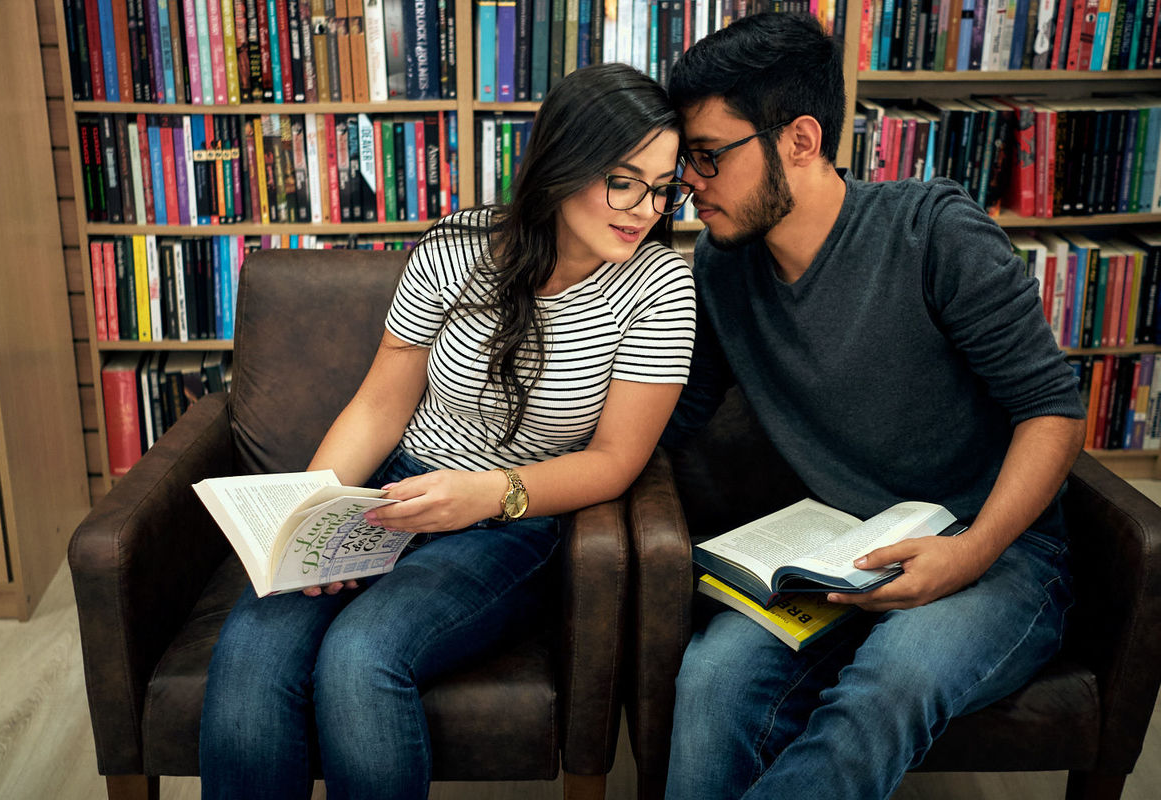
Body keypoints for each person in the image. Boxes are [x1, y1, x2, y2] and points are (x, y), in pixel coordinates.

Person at [198, 62, 697, 800]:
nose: (645, 208)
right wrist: (309, 517)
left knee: (361, 656)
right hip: (395, 486)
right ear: (565, 161)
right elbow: (379, 406)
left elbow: (617, 461)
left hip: (514, 521)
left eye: (662, 187)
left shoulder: (659, 286)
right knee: (250, 649)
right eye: (626, 180)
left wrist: (488, 495)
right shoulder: (456, 249)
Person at [662, 12, 1087, 800]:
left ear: (800, 139)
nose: (690, 179)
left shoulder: (935, 233)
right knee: (713, 679)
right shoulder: (724, 269)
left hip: (1000, 553)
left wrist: (973, 550)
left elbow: (1053, 412)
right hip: (842, 554)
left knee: (891, 683)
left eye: (708, 155)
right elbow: (674, 419)